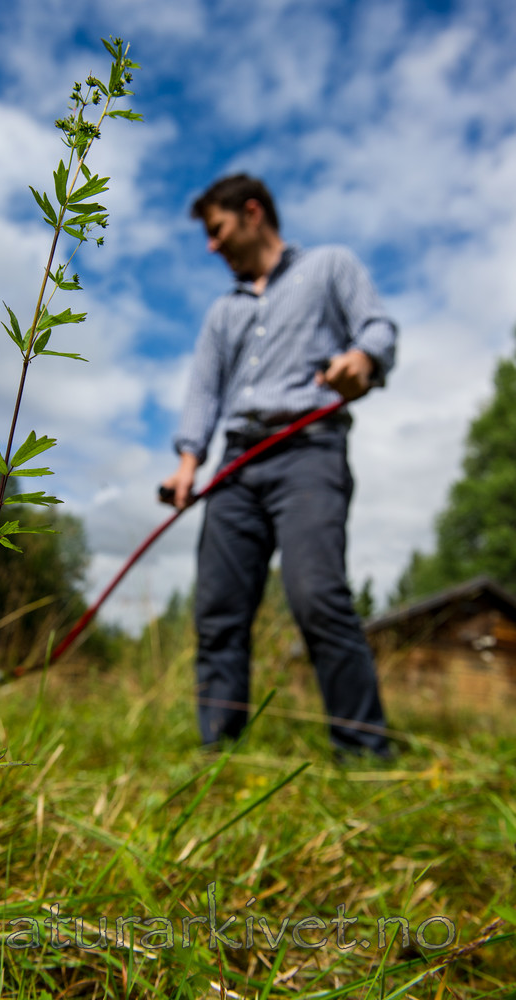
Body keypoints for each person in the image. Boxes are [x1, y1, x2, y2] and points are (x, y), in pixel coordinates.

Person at [160, 174, 398, 759]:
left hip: (309, 450)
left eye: (216, 231)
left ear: (252, 212)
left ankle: (364, 750)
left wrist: (362, 359)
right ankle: (220, 751)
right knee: (218, 608)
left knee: (316, 594)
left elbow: (378, 327)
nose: (211, 247)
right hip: (236, 467)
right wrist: (188, 463)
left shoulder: (329, 267)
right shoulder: (223, 313)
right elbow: (204, 390)